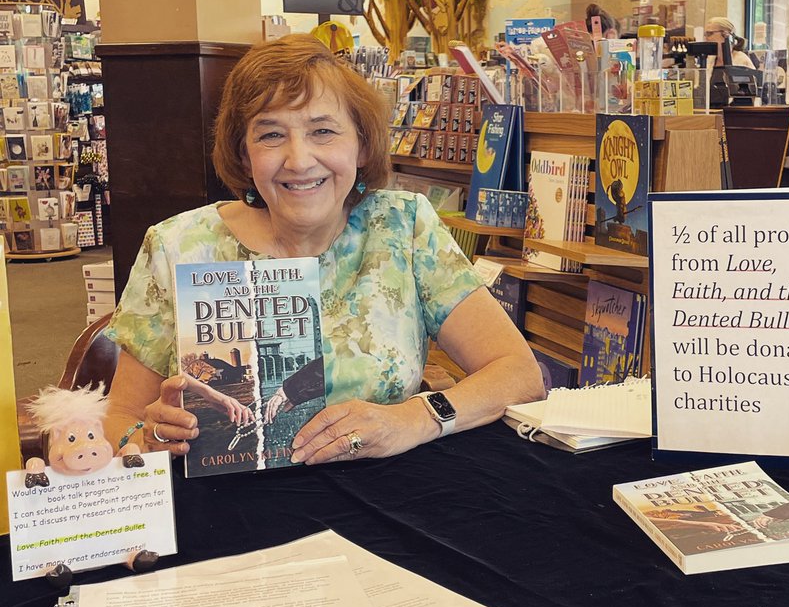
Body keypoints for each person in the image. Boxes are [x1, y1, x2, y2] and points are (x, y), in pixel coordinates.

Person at [103, 34, 544, 466]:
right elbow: (119, 419)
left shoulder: (402, 226)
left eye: (323, 131)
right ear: (243, 155)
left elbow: (519, 373)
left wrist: (416, 417)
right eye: (271, 135)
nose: (299, 160)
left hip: (386, 500)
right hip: (231, 509)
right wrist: (150, 436)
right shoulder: (177, 245)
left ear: (362, 144)